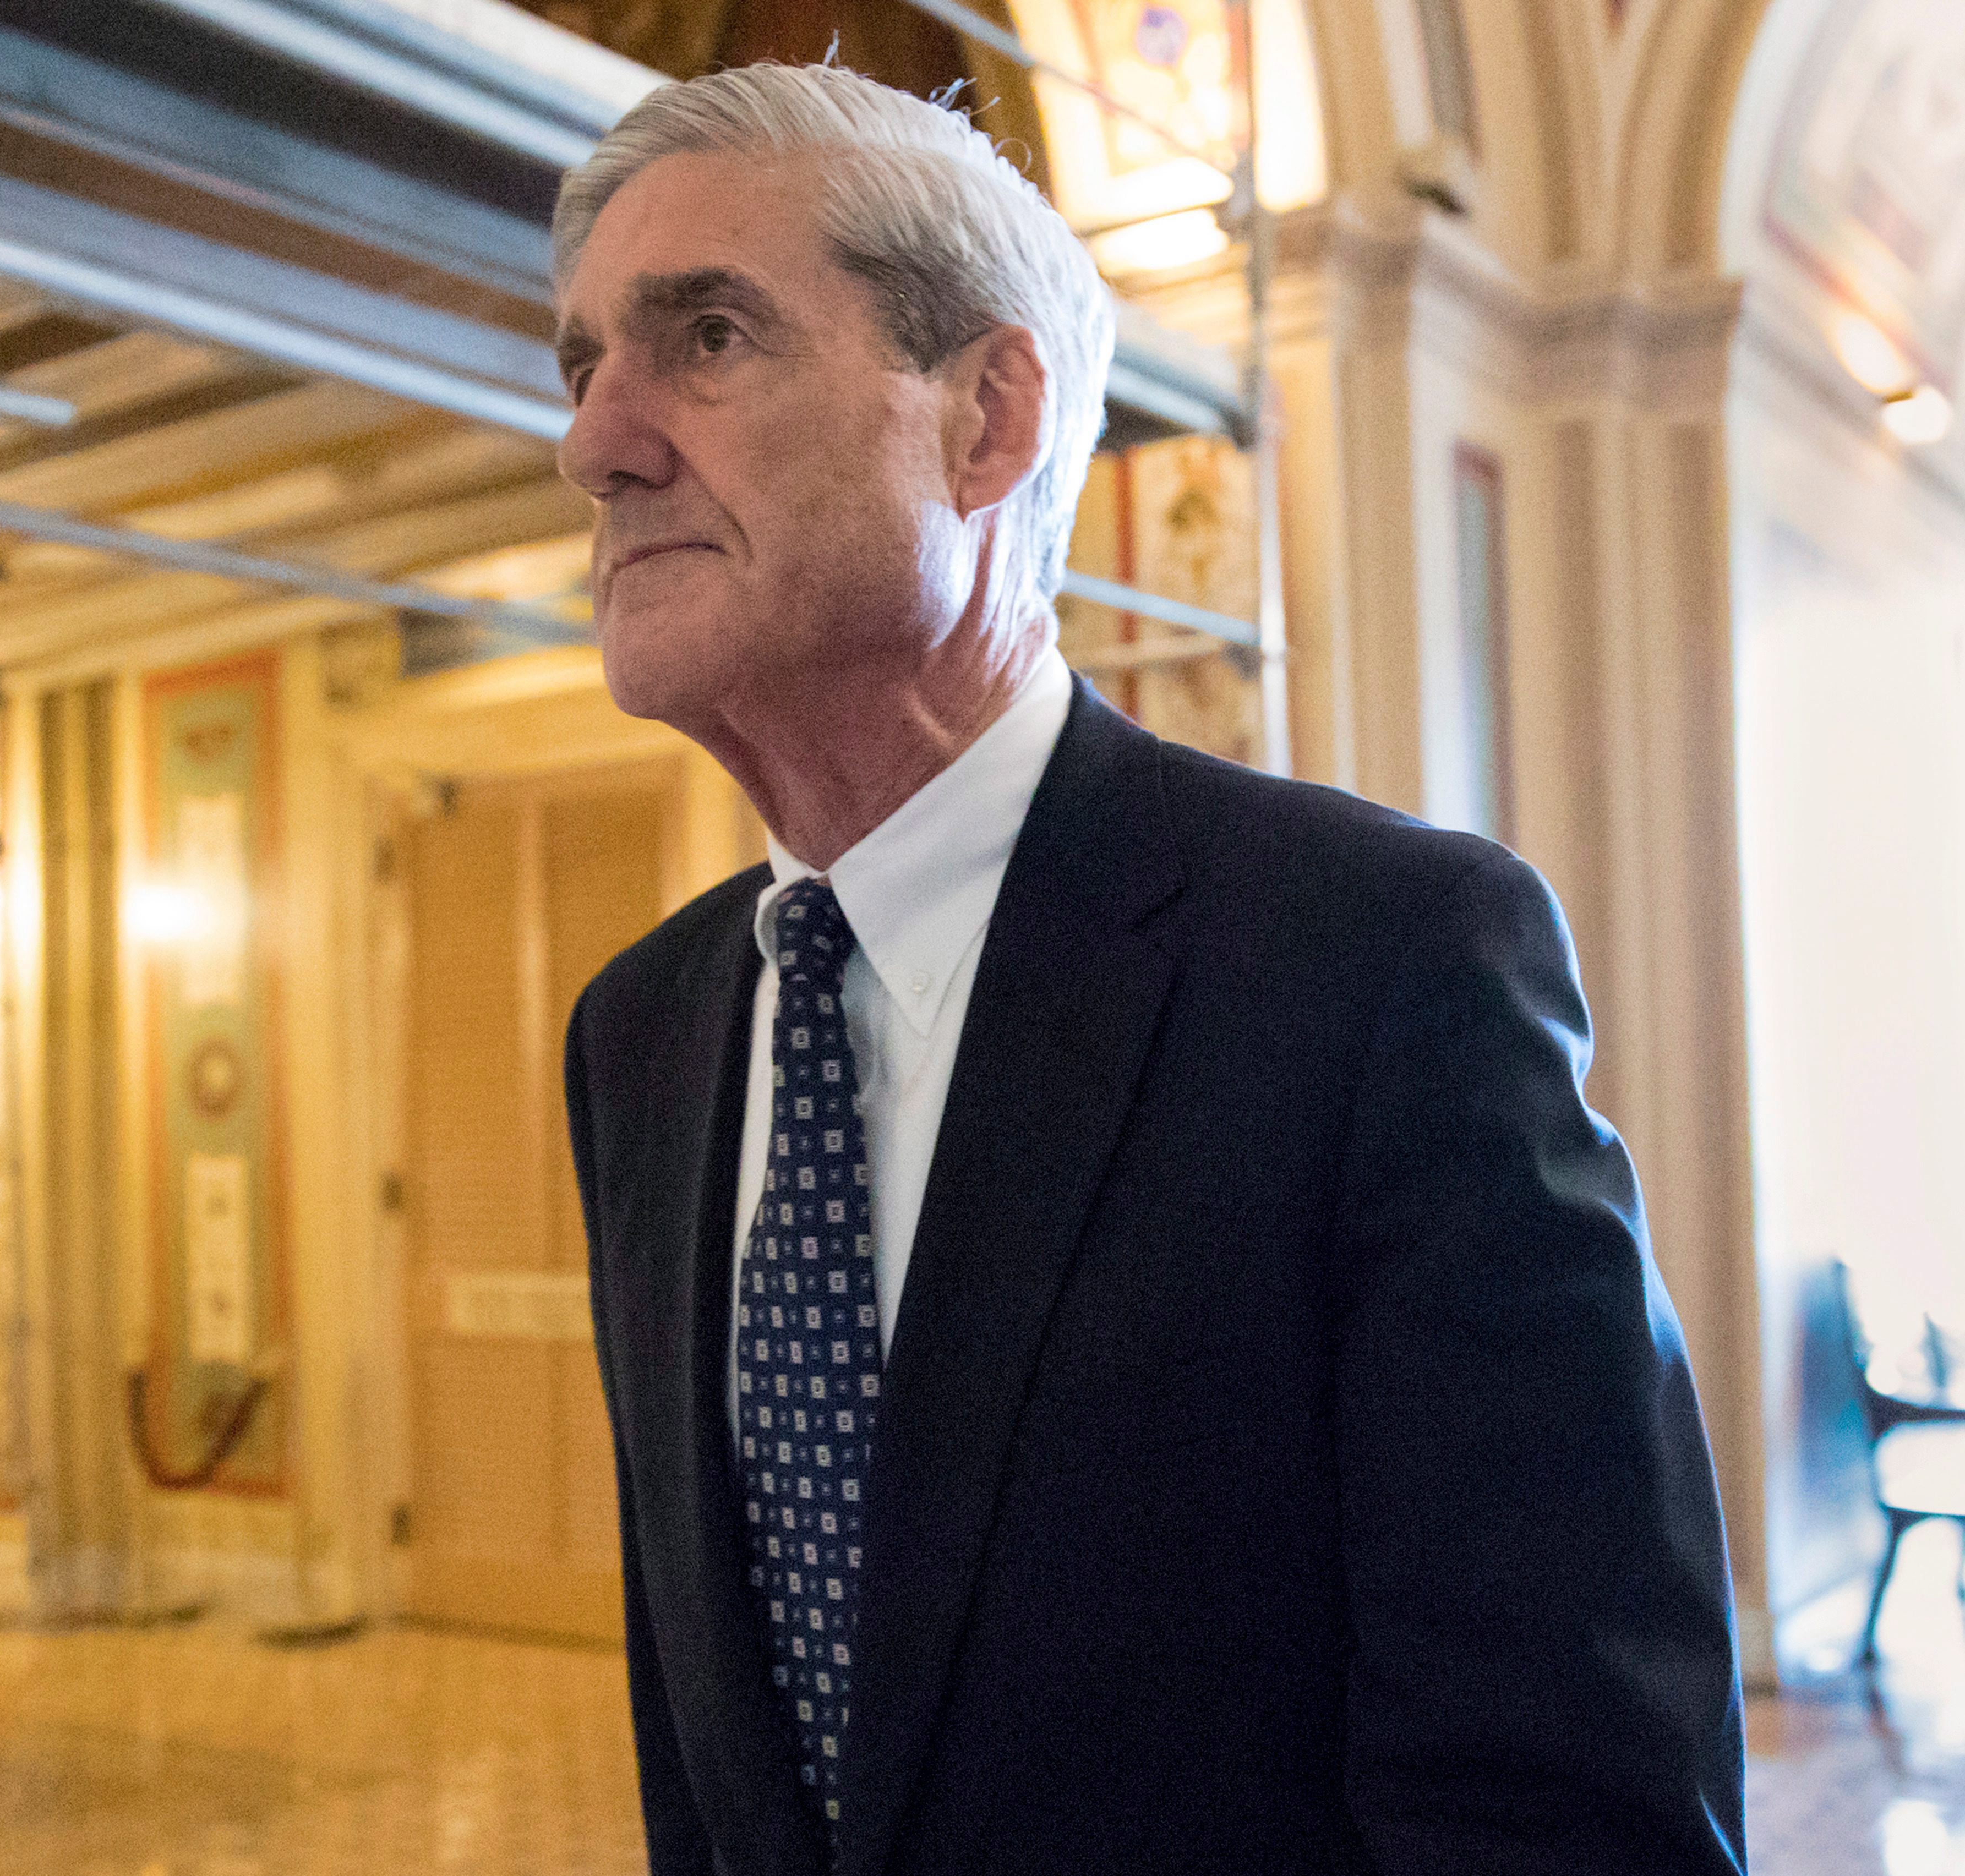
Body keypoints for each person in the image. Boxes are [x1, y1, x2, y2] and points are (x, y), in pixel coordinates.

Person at [553, 62, 1745, 1876]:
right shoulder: (637, 1031)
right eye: (578, 366)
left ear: (987, 417)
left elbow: (1569, 1812)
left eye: (704, 337)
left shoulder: (1383, 965)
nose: (595, 443)